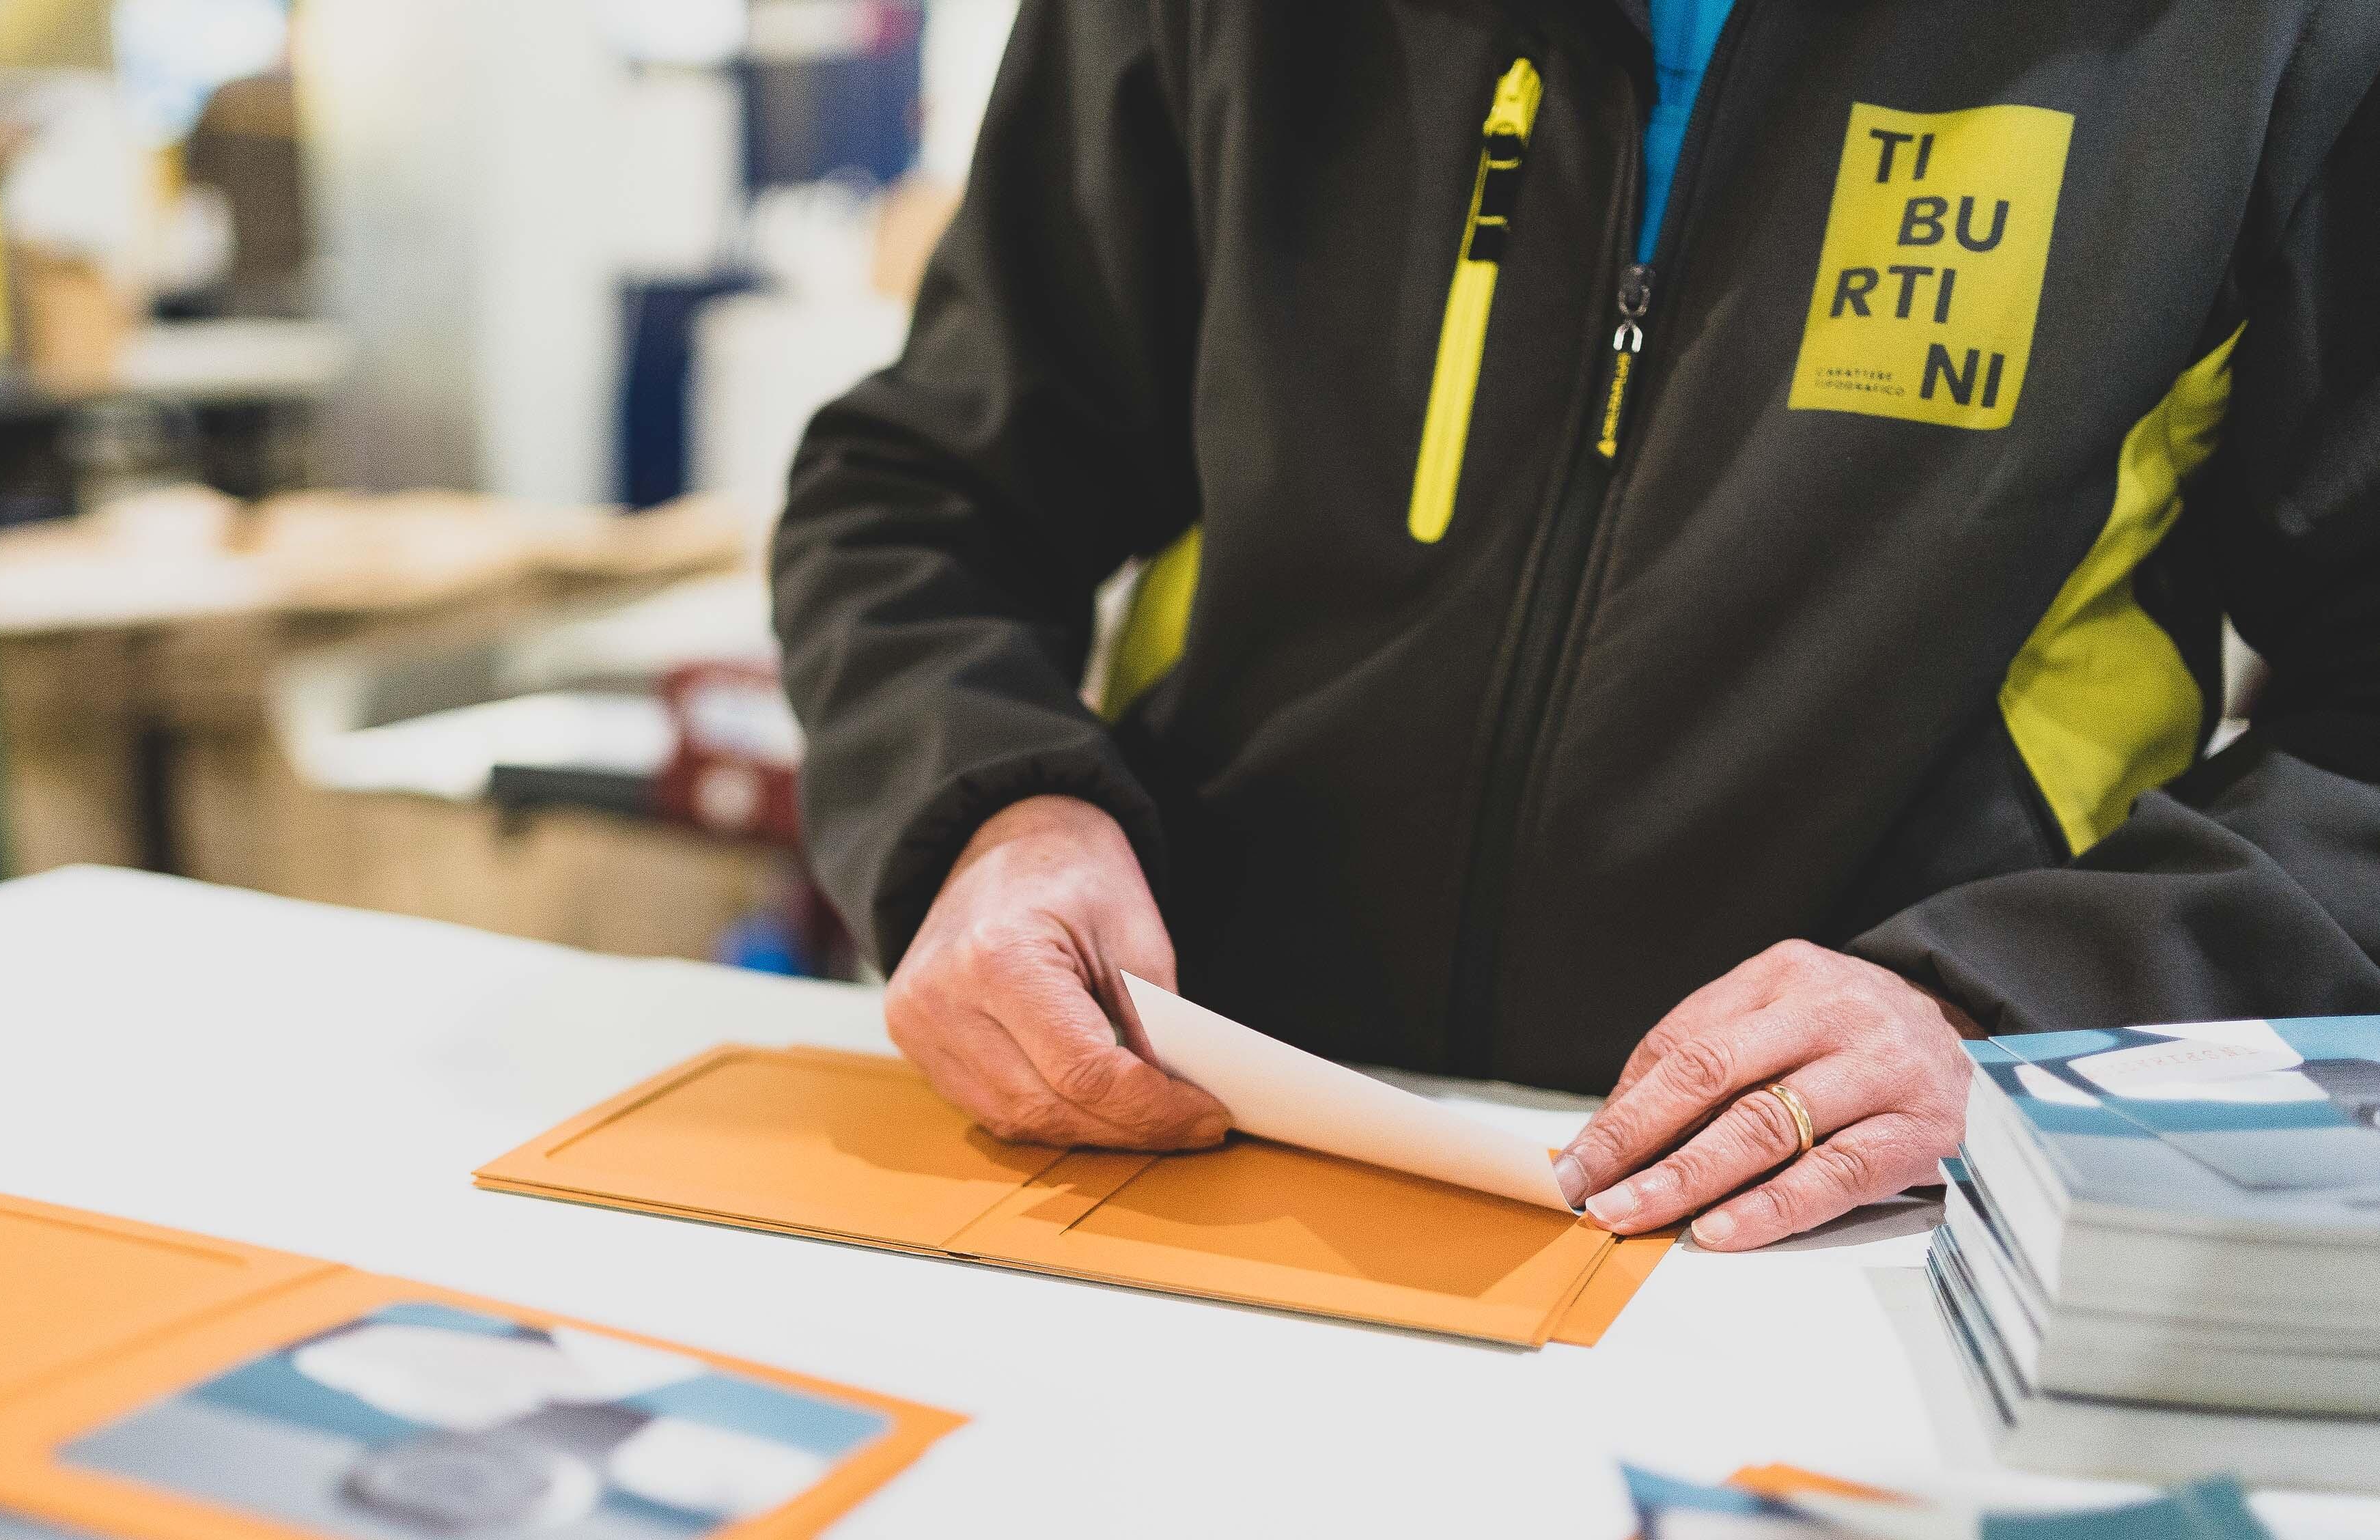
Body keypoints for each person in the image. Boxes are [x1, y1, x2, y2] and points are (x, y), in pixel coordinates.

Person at [772, 0, 2380, 1250]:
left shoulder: (2256, 39)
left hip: (1860, 1238)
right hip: (1196, 1151)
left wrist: (2010, 1001)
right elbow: (928, 491)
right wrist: (989, 814)